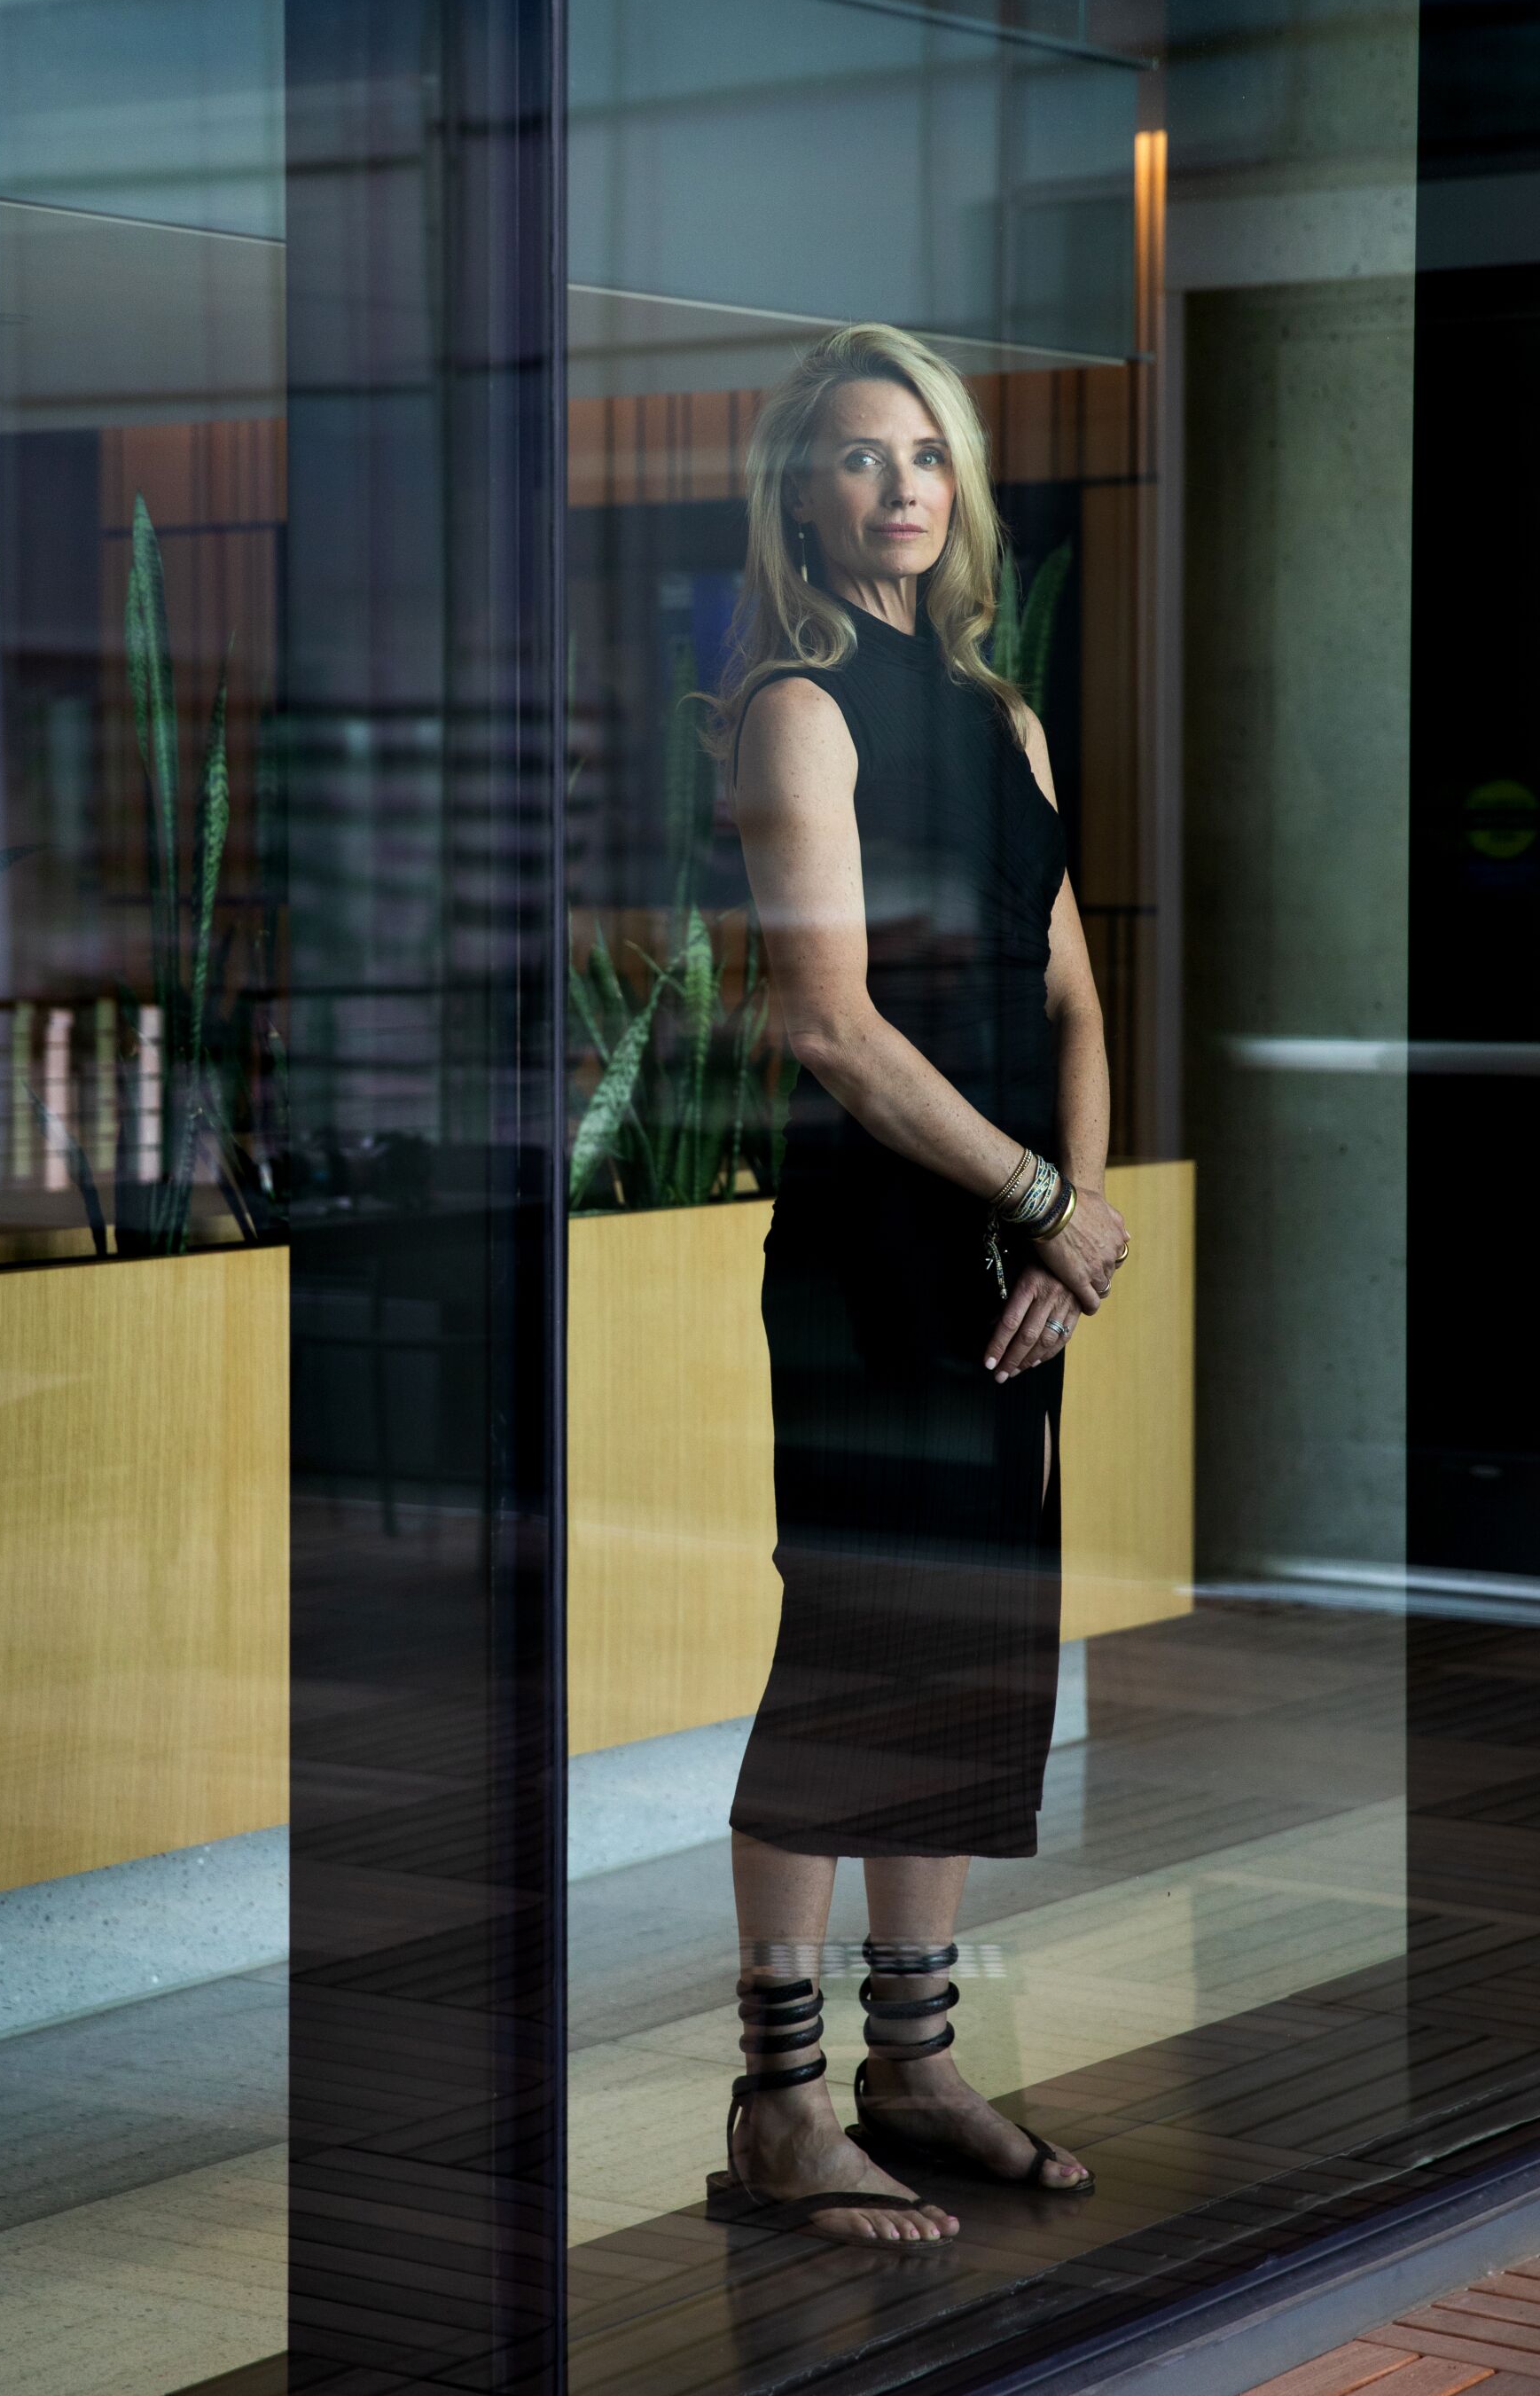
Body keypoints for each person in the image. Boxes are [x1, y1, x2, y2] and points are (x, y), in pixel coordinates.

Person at [702, 325, 1129, 2249]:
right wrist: (1040, 1191)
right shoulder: (796, 707)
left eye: (926, 456)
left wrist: (1076, 1217)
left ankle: (913, 2064)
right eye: (859, 458)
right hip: (878, 1252)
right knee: (855, 1641)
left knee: (971, 1647)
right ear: (803, 493)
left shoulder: (1002, 710)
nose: (898, 488)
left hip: (1016, 1246)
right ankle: (779, 2106)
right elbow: (829, 1025)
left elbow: (1064, 991)